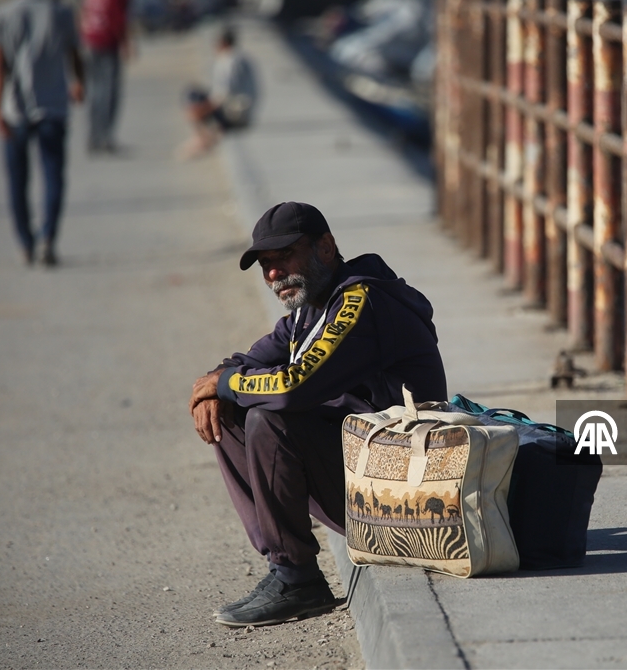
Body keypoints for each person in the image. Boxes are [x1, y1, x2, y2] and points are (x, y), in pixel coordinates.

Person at [189, 202, 447, 627]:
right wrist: (219, 384)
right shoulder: (310, 309)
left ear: (325, 247)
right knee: (234, 411)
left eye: (284, 257)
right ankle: (284, 568)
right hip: (369, 482)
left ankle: (297, 578)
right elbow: (249, 361)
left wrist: (223, 384)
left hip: (409, 494)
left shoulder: (360, 302)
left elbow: (293, 388)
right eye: (266, 265)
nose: (273, 274)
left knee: (268, 418)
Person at [0, 0, 85, 267]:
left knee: (18, 180)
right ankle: (47, 239)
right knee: (53, 174)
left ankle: (26, 243)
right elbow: (74, 53)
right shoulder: (61, 13)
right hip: (53, 106)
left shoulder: (1, 16)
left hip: (14, 109)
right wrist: (79, 82)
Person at [180, 26, 257, 158]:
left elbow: (224, 93)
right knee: (198, 97)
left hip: (236, 113)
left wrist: (199, 110)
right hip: (242, 110)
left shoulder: (229, 60)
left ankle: (203, 139)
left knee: (193, 97)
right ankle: (206, 135)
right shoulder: (240, 57)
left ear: (223, 43)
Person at [79, 0, 129, 154]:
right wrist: (124, 41)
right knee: (108, 92)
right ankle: (105, 137)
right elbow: (118, 15)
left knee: (95, 91)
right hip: (107, 41)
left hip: (89, 39)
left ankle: (94, 136)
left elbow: (83, 9)